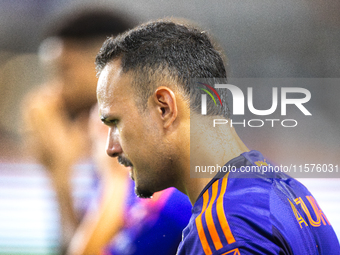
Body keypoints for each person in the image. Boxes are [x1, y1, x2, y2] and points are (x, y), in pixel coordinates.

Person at [95, 20, 340, 254]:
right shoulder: (290, 192)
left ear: (164, 108)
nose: (111, 147)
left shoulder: (225, 228)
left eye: (115, 122)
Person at [22, 10, 191, 255]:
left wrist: (112, 180)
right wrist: (59, 174)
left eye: (64, 71)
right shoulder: (110, 158)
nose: (54, 92)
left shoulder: (161, 184)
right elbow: (83, 242)